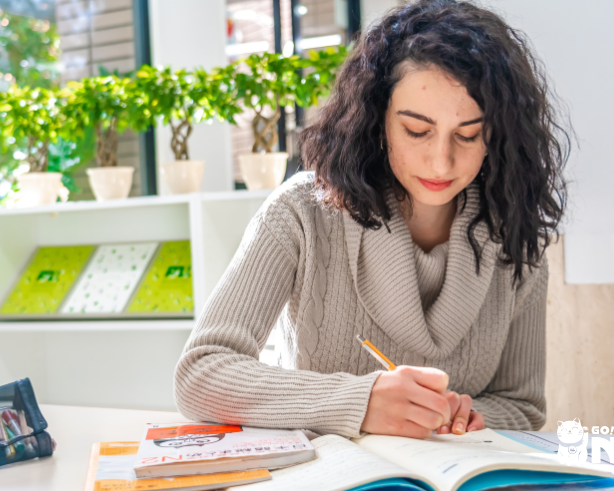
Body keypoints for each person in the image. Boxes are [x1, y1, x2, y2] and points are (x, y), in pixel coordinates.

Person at [174, 0, 568, 440]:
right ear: (376, 121)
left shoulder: (516, 238)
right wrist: (361, 402)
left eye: (468, 134)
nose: (442, 161)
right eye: (417, 131)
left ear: (497, 134)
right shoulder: (302, 212)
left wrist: (468, 415)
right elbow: (201, 373)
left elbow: (522, 405)